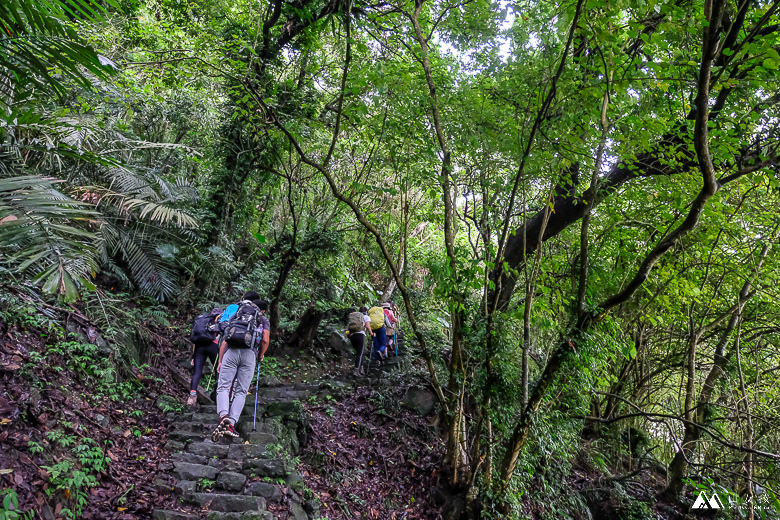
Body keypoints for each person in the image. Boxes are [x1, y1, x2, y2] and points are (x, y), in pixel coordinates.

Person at [211, 291, 270, 441]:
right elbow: (265, 340)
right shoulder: (262, 318)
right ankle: (231, 423)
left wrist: (220, 360)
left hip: (231, 351)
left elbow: (225, 339)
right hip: (250, 354)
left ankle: (223, 415)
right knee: (241, 391)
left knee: (223, 386)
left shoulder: (236, 314)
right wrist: (261, 355)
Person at [187, 307, 223, 406]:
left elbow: (195, 342)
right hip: (212, 346)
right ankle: (217, 394)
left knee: (197, 372)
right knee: (218, 370)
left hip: (199, 347)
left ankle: (192, 397)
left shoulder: (203, 321)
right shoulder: (218, 320)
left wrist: (193, 357)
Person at [347, 306, 373, 376]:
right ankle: (356, 371)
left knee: (362, 353)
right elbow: (367, 326)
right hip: (360, 335)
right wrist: (371, 333)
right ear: (366, 311)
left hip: (352, 336)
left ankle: (361, 369)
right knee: (360, 354)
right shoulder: (366, 317)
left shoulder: (355, 317)